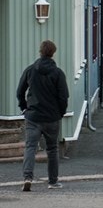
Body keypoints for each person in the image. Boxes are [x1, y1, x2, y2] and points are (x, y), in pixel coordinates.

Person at [16, 39, 69, 192]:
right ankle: (53, 181)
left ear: (40, 51)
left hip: (33, 116)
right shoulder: (58, 73)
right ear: (53, 53)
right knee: (52, 149)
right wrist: (61, 112)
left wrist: (24, 108)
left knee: (30, 147)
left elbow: (20, 92)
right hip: (52, 117)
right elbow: (63, 96)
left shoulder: (30, 70)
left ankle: (27, 177)